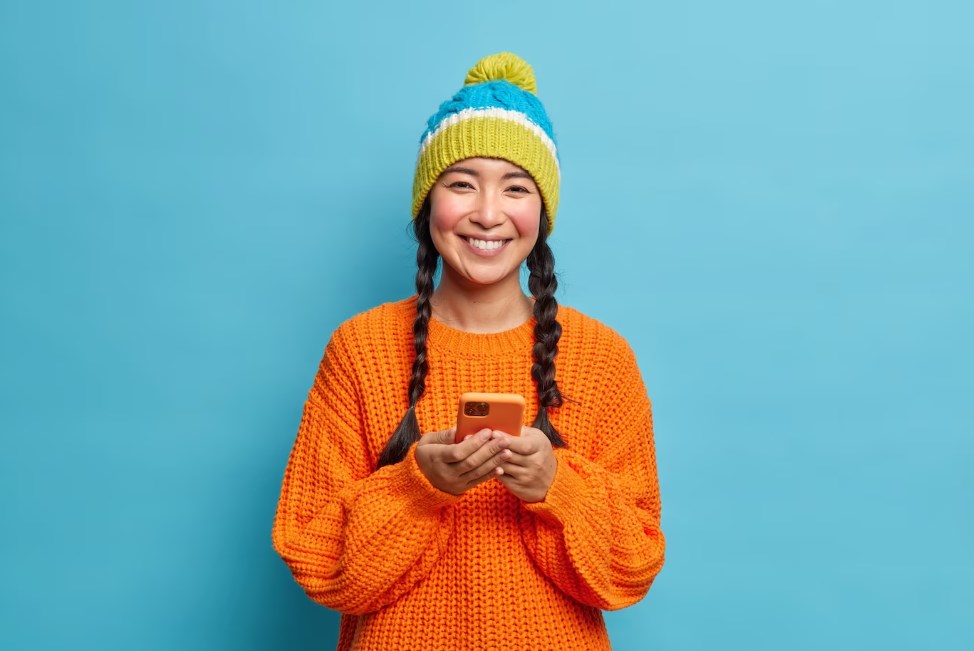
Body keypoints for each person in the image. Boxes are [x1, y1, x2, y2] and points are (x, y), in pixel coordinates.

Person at [272, 52, 666, 651]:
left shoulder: (603, 359)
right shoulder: (360, 350)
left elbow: (634, 563)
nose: (487, 213)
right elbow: (311, 553)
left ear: (542, 212)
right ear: (429, 202)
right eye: (462, 184)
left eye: (515, 188)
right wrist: (414, 487)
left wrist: (556, 485)